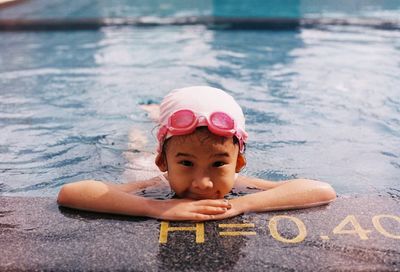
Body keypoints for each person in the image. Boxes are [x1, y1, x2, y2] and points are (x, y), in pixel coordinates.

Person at [57, 86, 336, 221]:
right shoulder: (154, 183)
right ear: (163, 162)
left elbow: (321, 190)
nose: (203, 182)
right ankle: (151, 116)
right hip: (142, 162)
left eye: (218, 164)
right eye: (186, 163)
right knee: (135, 144)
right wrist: (155, 208)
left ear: (238, 163)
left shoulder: (241, 185)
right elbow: (71, 192)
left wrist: (243, 205)